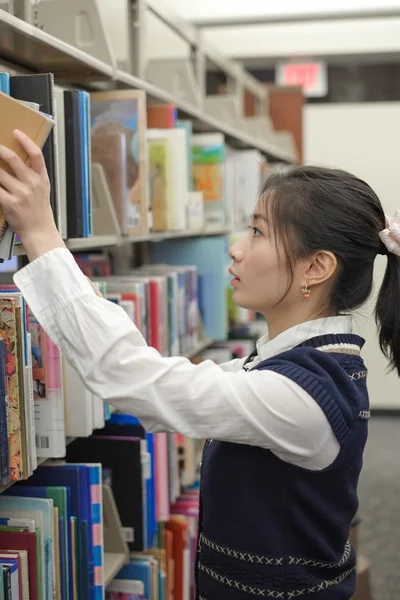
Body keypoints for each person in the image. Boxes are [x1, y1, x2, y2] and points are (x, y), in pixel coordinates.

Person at [0, 130, 399, 600]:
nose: (235, 248)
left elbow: (135, 379)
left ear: (316, 268)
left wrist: (42, 234)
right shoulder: (297, 365)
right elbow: (154, 372)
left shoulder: (301, 395)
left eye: (257, 232)